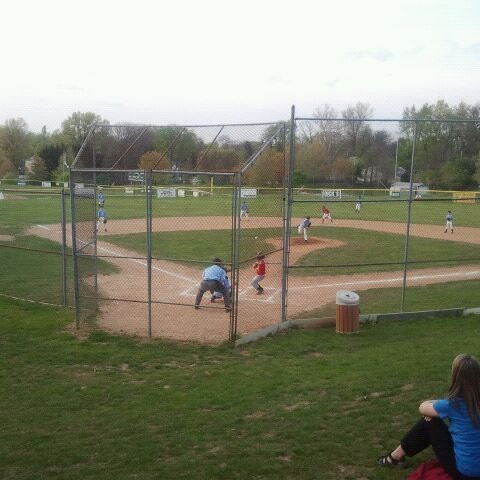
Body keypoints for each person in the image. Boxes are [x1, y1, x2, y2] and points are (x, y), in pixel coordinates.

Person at [377, 354, 480, 479]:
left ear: (455, 377)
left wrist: (439, 402)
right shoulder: (452, 404)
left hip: (465, 473)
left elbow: (422, 407)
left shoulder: (451, 405)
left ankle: (395, 456)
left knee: (429, 420)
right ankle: (396, 455)